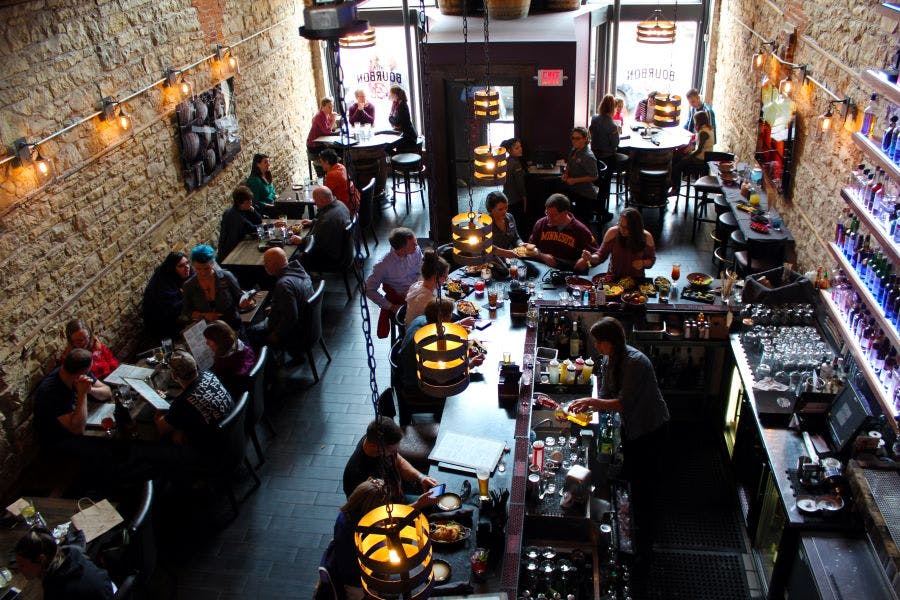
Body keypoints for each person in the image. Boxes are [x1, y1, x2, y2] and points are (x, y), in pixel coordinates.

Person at [570, 317, 669, 557]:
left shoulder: (635, 363)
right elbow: (605, 394)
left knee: (646, 477)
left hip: (650, 424)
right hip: (631, 425)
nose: (596, 346)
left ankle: (646, 533)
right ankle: (632, 514)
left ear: (610, 342)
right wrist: (585, 407)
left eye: (599, 342)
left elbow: (622, 403)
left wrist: (592, 402)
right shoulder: (608, 359)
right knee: (632, 469)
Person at [329, 479, 437, 600]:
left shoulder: (347, 515)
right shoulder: (362, 536)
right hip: (355, 580)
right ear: (371, 512)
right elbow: (380, 567)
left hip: (344, 564)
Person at [154, 350, 234, 463]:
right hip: (233, 434)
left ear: (174, 375)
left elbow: (161, 427)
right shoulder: (208, 374)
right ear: (195, 365)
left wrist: (157, 401)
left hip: (214, 452)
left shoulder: (182, 403)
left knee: (163, 440)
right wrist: (181, 428)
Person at [342, 416, 439, 500]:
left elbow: (398, 460)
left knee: (435, 488)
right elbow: (380, 513)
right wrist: (419, 504)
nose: (395, 452)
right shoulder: (358, 477)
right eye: (392, 451)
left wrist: (421, 477)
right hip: (381, 508)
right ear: (373, 446)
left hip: (395, 488)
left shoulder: (373, 439)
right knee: (432, 506)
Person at [400, 298, 479, 395]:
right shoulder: (430, 343)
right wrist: (471, 364)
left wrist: (458, 324)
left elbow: (434, 328)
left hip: (405, 372)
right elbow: (443, 376)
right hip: (420, 386)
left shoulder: (420, 320)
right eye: (450, 314)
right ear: (443, 319)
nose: (451, 317)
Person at [34, 349, 109, 446]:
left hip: (80, 425)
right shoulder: (50, 392)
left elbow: (107, 392)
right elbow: (78, 430)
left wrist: (90, 389)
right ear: (83, 372)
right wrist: (82, 393)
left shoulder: (78, 372)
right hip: (60, 441)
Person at [15, 527, 114, 600]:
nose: (19, 569)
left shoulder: (56, 590)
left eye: (22, 565)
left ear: (41, 559)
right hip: (108, 589)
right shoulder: (71, 554)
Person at [248, 247, 314, 354]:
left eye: (266, 262)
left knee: (251, 332)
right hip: (309, 324)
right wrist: (275, 307)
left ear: (274, 264)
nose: (264, 265)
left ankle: (268, 360)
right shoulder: (299, 270)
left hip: (297, 333)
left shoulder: (283, 285)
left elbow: (291, 318)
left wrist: (276, 334)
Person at [365, 227, 422, 338]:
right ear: (401, 250)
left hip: (419, 291)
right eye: (413, 245)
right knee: (424, 318)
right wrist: (391, 306)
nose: (417, 246)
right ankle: (408, 339)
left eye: (415, 242)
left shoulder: (416, 250)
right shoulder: (383, 265)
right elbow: (368, 290)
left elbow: (422, 269)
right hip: (402, 300)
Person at [181, 244, 248, 330]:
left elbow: (239, 297)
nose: (203, 273)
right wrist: (204, 315)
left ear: (212, 264)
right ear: (193, 266)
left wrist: (245, 301)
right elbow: (187, 311)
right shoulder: (189, 285)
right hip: (208, 329)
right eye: (198, 269)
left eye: (206, 268)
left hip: (232, 325)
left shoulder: (226, 277)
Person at [528, 194, 599, 272]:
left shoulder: (581, 230)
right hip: (542, 269)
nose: (548, 218)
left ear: (565, 213)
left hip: (569, 272)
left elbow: (597, 256)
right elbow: (530, 249)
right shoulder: (541, 224)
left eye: (553, 215)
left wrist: (586, 261)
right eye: (547, 213)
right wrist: (542, 256)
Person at [585, 207, 657, 279]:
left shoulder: (646, 237)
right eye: (620, 225)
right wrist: (591, 258)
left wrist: (643, 263)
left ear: (636, 228)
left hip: (636, 279)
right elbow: (601, 256)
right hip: (614, 278)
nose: (622, 230)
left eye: (626, 227)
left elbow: (651, 261)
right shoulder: (613, 233)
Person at [299, 186, 353, 273]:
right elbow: (330, 223)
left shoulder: (327, 220)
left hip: (335, 259)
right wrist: (314, 221)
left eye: (315, 200)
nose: (315, 203)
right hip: (346, 252)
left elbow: (315, 244)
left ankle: (308, 279)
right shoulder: (340, 204)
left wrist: (301, 241)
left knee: (297, 259)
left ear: (322, 200)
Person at [143, 252, 192, 340]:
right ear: (172, 269)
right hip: (164, 322)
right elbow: (172, 308)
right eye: (181, 266)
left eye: (187, 263)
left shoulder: (187, 270)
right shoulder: (162, 285)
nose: (187, 267)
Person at [203, 320, 256, 396]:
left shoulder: (226, 363)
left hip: (234, 392)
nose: (206, 343)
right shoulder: (241, 346)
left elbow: (221, 381)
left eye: (209, 340)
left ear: (219, 342)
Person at [589, 94, 620, 219]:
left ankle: (593, 206)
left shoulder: (594, 118)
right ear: (613, 108)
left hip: (594, 156)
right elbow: (615, 143)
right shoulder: (612, 125)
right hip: (607, 157)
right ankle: (602, 210)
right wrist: (618, 132)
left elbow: (591, 133)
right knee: (605, 184)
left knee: (597, 182)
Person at [670, 110, 714, 196]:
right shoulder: (708, 129)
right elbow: (700, 146)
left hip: (701, 159)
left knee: (677, 166)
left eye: (695, 120)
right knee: (677, 157)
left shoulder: (703, 132)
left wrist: (688, 156)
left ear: (699, 121)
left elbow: (699, 150)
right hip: (705, 156)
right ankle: (675, 185)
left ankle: (675, 188)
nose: (694, 122)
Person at [560, 126, 599, 223]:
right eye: (573, 138)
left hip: (585, 193)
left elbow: (594, 176)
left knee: (580, 220)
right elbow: (569, 164)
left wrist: (574, 180)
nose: (574, 141)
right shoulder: (574, 149)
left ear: (585, 139)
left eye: (577, 138)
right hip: (574, 189)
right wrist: (566, 173)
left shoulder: (588, 156)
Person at [404, 248, 450, 326]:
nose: (446, 280)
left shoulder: (418, 284)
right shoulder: (426, 298)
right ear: (435, 277)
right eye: (445, 277)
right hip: (418, 331)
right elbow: (439, 325)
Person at [218, 184, 263, 261]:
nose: (251, 203)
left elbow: (259, 221)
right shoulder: (236, 216)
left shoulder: (242, 209)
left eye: (251, 200)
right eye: (248, 201)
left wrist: (253, 211)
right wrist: (272, 225)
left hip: (238, 245)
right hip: (230, 253)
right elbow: (253, 229)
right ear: (240, 203)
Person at [319, 149, 359, 215]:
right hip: (353, 203)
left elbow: (324, 194)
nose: (321, 164)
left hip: (346, 208)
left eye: (321, 162)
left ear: (327, 162)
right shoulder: (341, 166)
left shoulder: (332, 175)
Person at [486, 191, 524, 259]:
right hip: (491, 259)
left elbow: (515, 238)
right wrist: (505, 253)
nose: (504, 211)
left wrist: (521, 244)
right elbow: (486, 246)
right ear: (491, 210)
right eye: (500, 209)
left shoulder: (510, 218)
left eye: (506, 207)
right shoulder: (485, 224)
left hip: (509, 258)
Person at [501, 137, 527, 228]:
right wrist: (524, 198)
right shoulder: (516, 164)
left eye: (520, 146)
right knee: (517, 223)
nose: (520, 149)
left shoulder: (506, 160)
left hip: (507, 196)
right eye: (517, 148)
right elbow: (520, 184)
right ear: (509, 151)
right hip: (515, 199)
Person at [388, 85, 417, 152]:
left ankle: (396, 158)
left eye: (390, 94)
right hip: (404, 134)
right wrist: (392, 118)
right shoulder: (397, 104)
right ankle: (396, 157)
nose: (389, 96)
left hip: (409, 137)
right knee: (387, 144)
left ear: (395, 95)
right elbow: (395, 121)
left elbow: (397, 123)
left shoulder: (402, 106)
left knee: (387, 147)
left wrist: (390, 118)